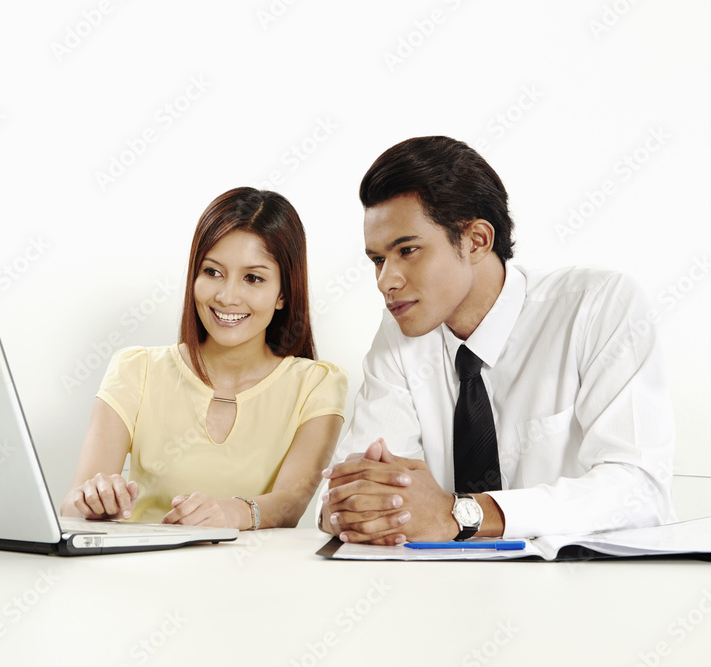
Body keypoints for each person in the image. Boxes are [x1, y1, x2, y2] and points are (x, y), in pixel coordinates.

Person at [320, 136, 675, 545]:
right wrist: (356, 507)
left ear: (477, 240)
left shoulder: (598, 306)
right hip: (451, 581)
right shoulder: (400, 333)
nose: (386, 281)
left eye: (408, 250)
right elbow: (340, 496)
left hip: (591, 579)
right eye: (378, 260)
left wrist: (459, 513)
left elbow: (639, 489)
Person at [61, 187, 348, 529]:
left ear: (283, 294)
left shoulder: (317, 384)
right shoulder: (136, 370)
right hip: (142, 562)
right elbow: (72, 506)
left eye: (253, 278)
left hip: (256, 565)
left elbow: (291, 503)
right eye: (212, 272)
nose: (227, 296)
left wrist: (231, 513)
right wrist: (93, 501)